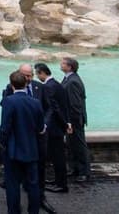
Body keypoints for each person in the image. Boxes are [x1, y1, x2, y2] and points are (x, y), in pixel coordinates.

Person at [2, 64, 55, 214]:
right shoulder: (32, 101)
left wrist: (3, 144)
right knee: (32, 182)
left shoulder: (39, 88)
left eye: (31, 75)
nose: (29, 78)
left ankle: (19, 209)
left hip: (20, 146)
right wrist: (41, 128)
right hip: (32, 145)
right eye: (26, 76)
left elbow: (5, 127)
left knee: (22, 182)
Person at [35, 63, 70, 195]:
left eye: (38, 74)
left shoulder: (48, 87)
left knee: (58, 157)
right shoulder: (56, 84)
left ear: (42, 73)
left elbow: (54, 108)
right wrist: (66, 123)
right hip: (58, 126)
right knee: (57, 156)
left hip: (54, 128)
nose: (38, 77)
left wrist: (64, 124)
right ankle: (58, 181)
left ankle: (61, 184)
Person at [60, 57, 90, 182]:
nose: (61, 65)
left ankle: (84, 172)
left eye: (63, 63)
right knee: (72, 145)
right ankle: (75, 168)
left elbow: (75, 104)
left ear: (70, 67)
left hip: (75, 120)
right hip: (71, 119)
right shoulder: (69, 78)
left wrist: (71, 122)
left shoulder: (72, 81)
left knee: (79, 145)